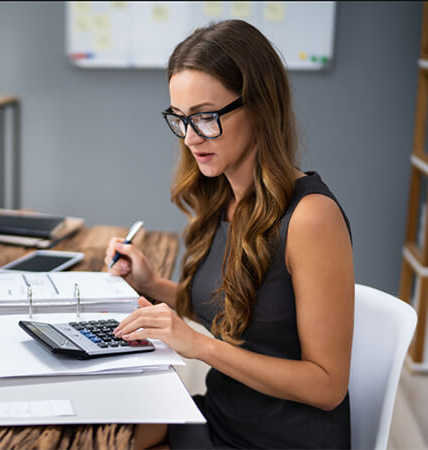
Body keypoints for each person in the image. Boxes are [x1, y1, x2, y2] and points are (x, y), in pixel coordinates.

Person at [105, 19, 354, 449]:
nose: (189, 138)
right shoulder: (226, 198)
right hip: (221, 414)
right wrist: (150, 285)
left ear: (258, 106)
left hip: (279, 440)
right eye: (180, 119)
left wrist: (200, 347)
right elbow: (238, 316)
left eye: (204, 117)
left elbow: (327, 386)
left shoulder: (311, 217)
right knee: (95, 433)